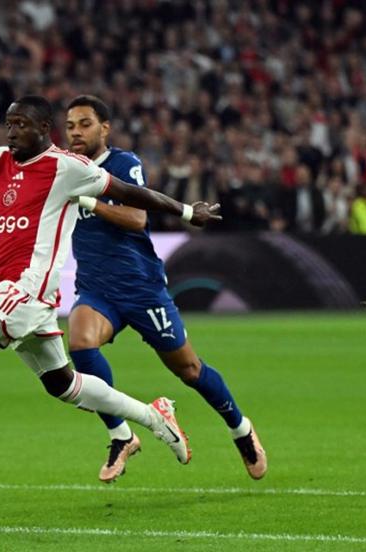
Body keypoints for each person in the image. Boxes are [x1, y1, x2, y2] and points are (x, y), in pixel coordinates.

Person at [0, 96, 221, 483]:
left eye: (21, 124)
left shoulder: (66, 168)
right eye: (9, 124)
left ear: (45, 129)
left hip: (28, 289)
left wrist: (187, 211)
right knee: (63, 384)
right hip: (16, 293)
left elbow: (130, 193)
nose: (12, 132)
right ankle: (154, 416)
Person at [64, 95, 267, 482]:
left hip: (142, 289)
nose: (76, 132)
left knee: (189, 370)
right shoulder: (64, 168)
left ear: (105, 128)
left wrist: (89, 201)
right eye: (70, 125)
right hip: (96, 289)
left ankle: (240, 428)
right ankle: (121, 436)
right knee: (81, 344)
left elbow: (137, 218)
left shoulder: (124, 164)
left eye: (85, 124)